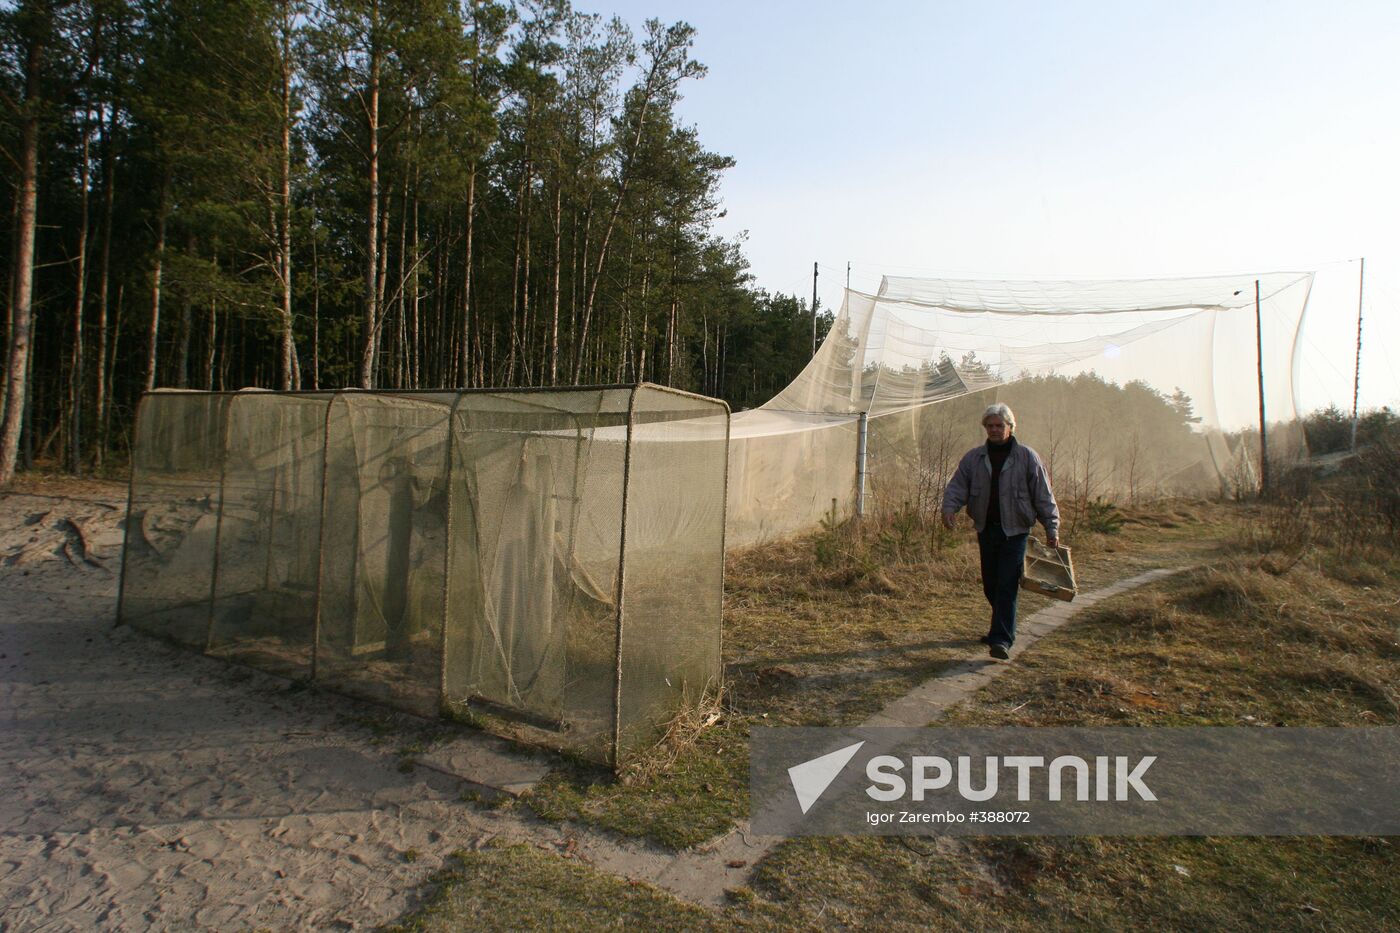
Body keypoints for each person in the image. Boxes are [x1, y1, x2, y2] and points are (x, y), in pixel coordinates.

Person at [940, 403, 1060, 660]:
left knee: (1006, 584)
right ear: (985, 428)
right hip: (987, 529)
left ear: (1010, 427)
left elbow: (1043, 495)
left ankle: (1002, 638)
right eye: (990, 426)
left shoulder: (1027, 457)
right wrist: (950, 509)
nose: (995, 430)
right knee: (990, 584)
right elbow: (957, 486)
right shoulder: (974, 458)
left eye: (999, 426)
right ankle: (1001, 625)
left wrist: (1052, 526)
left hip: (1016, 531)